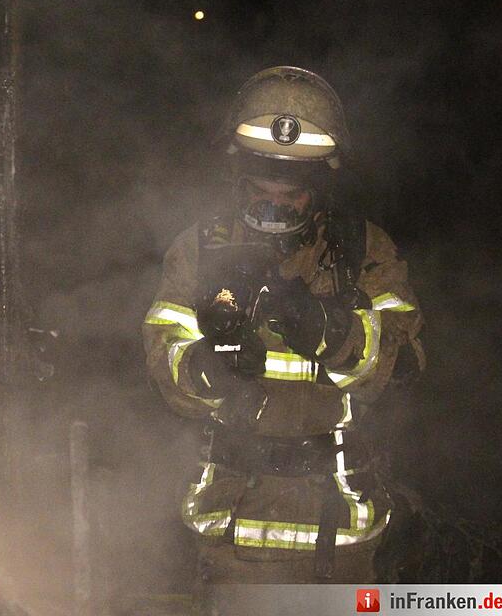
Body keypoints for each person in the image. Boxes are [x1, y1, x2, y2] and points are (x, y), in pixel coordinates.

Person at [142, 66, 424, 584]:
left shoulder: (364, 251)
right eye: (260, 185)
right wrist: (208, 368)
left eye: (291, 190)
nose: (274, 201)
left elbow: (404, 367)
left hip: (338, 538)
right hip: (226, 534)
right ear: (238, 178)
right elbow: (167, 368)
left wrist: (333, 334)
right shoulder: (199, 251)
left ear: (320, 187)